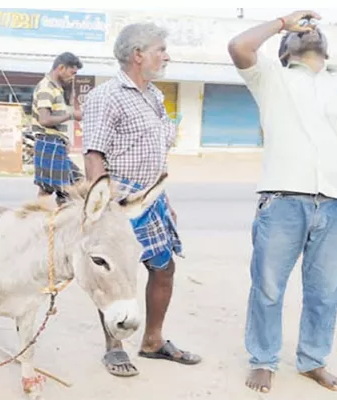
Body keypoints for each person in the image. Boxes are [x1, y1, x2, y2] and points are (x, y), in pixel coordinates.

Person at [228, 10, 337, 393]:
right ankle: (263, 360)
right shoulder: (271, 78)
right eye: (301, 32)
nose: (311, 33)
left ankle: (313, 360)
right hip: (282, 202)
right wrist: (281, 22)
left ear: (326, 47)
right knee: (268, 287)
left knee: (325, 292)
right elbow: (239, 46)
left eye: (315, 31)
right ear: (285, 48)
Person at [82, 22, 202, 378]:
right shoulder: (106, 96)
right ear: (138, 55)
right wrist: (103, 210)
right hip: (119, 198)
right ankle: (114, 347)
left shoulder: (154, 96)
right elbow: (93, 156)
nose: (167, 55)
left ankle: (152, 341)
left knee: (163, 268)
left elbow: (155, 154)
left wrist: (166, 200)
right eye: (160, 49)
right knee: (115, 275)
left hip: (152, 198)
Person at [31, 52, 84, 205]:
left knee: (75, 183)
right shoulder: (46, 88)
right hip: (49, 143)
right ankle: (40, 220)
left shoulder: (56, 88)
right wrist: (71, 115)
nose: (72, 77)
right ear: (61, 68)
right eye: (71, 72)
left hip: (56, 143)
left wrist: (64, 139)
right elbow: (45, 119)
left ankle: (50, 217)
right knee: (54, 189)